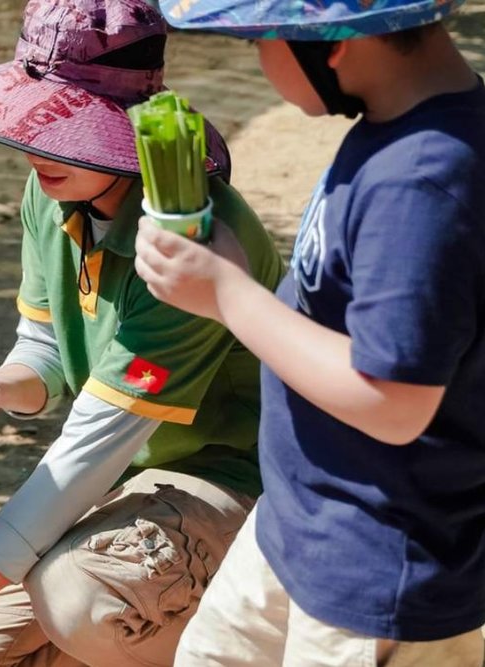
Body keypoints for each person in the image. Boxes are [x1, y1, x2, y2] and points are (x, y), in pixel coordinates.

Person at [0, 1, 283, 665]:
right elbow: (45, 349)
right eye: (41, 121)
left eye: (68, 128)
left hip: (238, 480)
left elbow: (81, 458)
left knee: (80, 601)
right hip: (131, 481)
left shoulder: (189, 240)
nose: (38, 148)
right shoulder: (51, 191)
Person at [133, 1, 485, 665]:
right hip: (299, 526)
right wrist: (229, 273)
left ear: (332, 43)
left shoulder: (423, 179)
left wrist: (232, 297)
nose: (260, 61)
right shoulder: (390, 128)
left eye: (259, 40)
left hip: (376, 573)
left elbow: (393, 401)